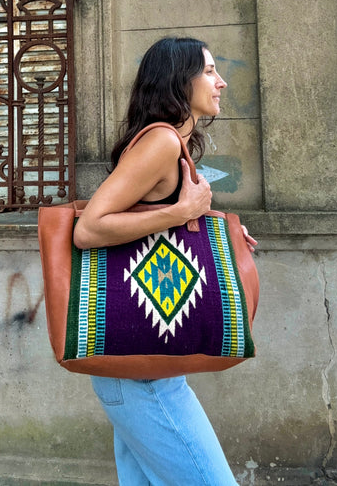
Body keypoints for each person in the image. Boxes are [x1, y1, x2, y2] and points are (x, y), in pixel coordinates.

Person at [74, 37, 257, 485]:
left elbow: (148, 212)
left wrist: (214, 221)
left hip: (147, 368)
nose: (221, 82)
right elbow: (89, 229)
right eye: (210, 71)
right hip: (142, 377)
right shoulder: (160, 141)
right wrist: (182, 213)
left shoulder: (172, 143)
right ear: (181, 81)